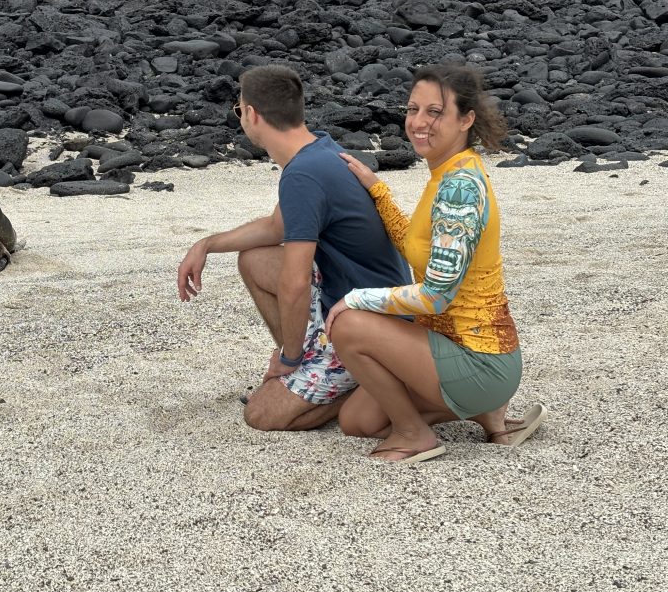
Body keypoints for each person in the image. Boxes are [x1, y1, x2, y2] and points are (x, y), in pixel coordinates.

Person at [325, 64, 548, 463]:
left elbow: (436, 296)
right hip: (455, 350)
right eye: (413, 109)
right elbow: (420, 244)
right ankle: (488, 413)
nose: (419, 122)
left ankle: (415, 436)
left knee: (348, 324)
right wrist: (378, 191)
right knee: (358, 421)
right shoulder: (446, 174)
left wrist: (356, 299)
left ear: (466, 120)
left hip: (480, 357)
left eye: (435, 112)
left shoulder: (460, 188)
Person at [176, 64, 411, 431]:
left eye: (239, 110)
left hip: (369, 320)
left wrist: (287, 358)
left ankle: (370, 381)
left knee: (261, 414)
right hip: (357, 299)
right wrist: (206, 244)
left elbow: (295, 282)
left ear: (252, 114)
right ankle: (312, 366)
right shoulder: (319, 150)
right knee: (254, 260)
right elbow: (276, 227)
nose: (240, 118)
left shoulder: (304, 174)